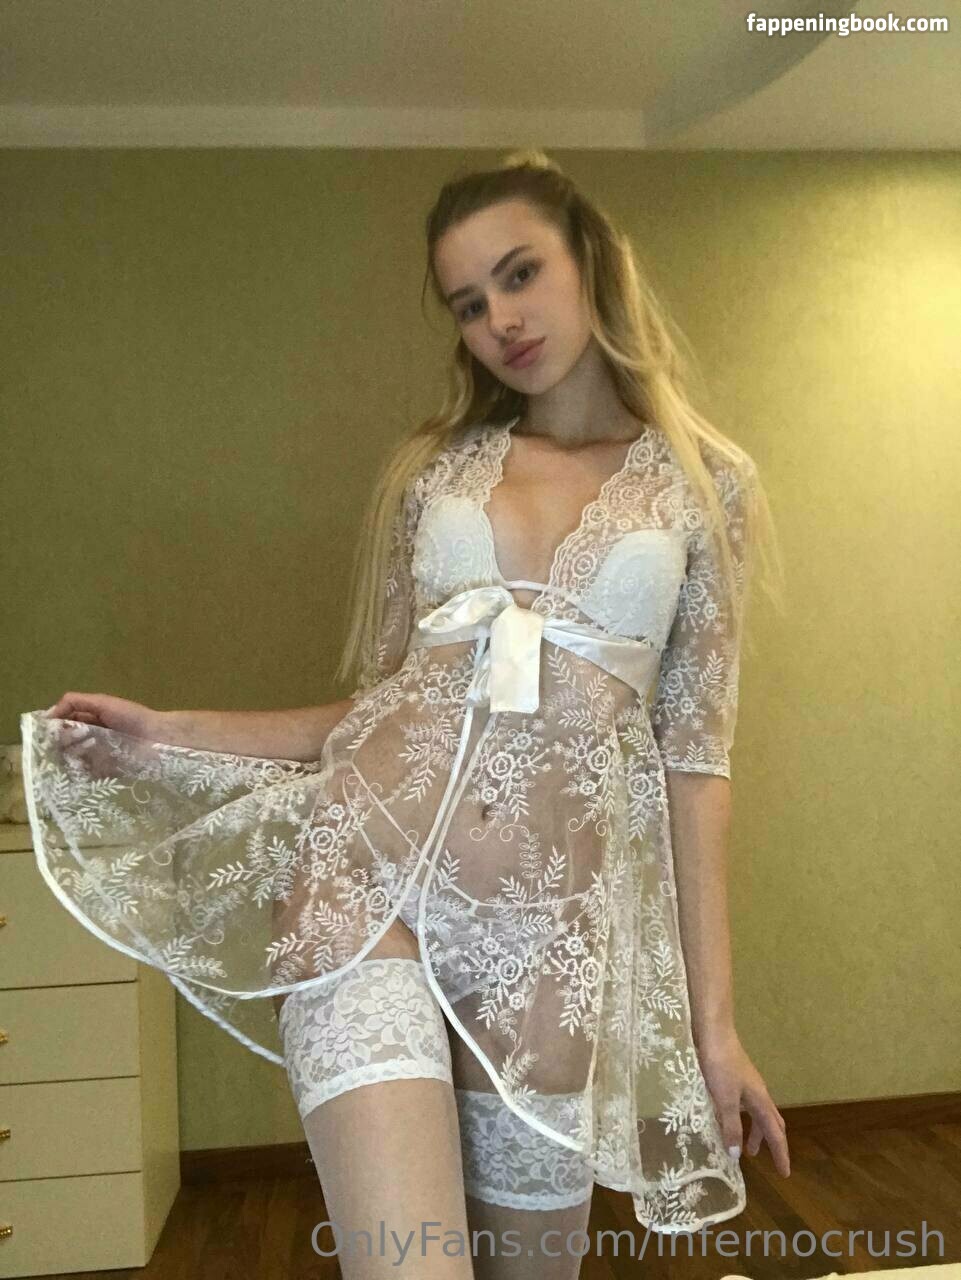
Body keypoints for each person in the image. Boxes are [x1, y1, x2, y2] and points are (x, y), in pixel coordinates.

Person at [22, 149, 791, 1278]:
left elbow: (695, 759)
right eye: (468, 303)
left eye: (519, 274)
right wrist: (169, 728)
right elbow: (382, 710)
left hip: (550, 955)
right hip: (364, 891)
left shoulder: (705, 482)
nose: (500, 320)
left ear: (591, 260)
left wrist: (712, 1029)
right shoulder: (436, 474)